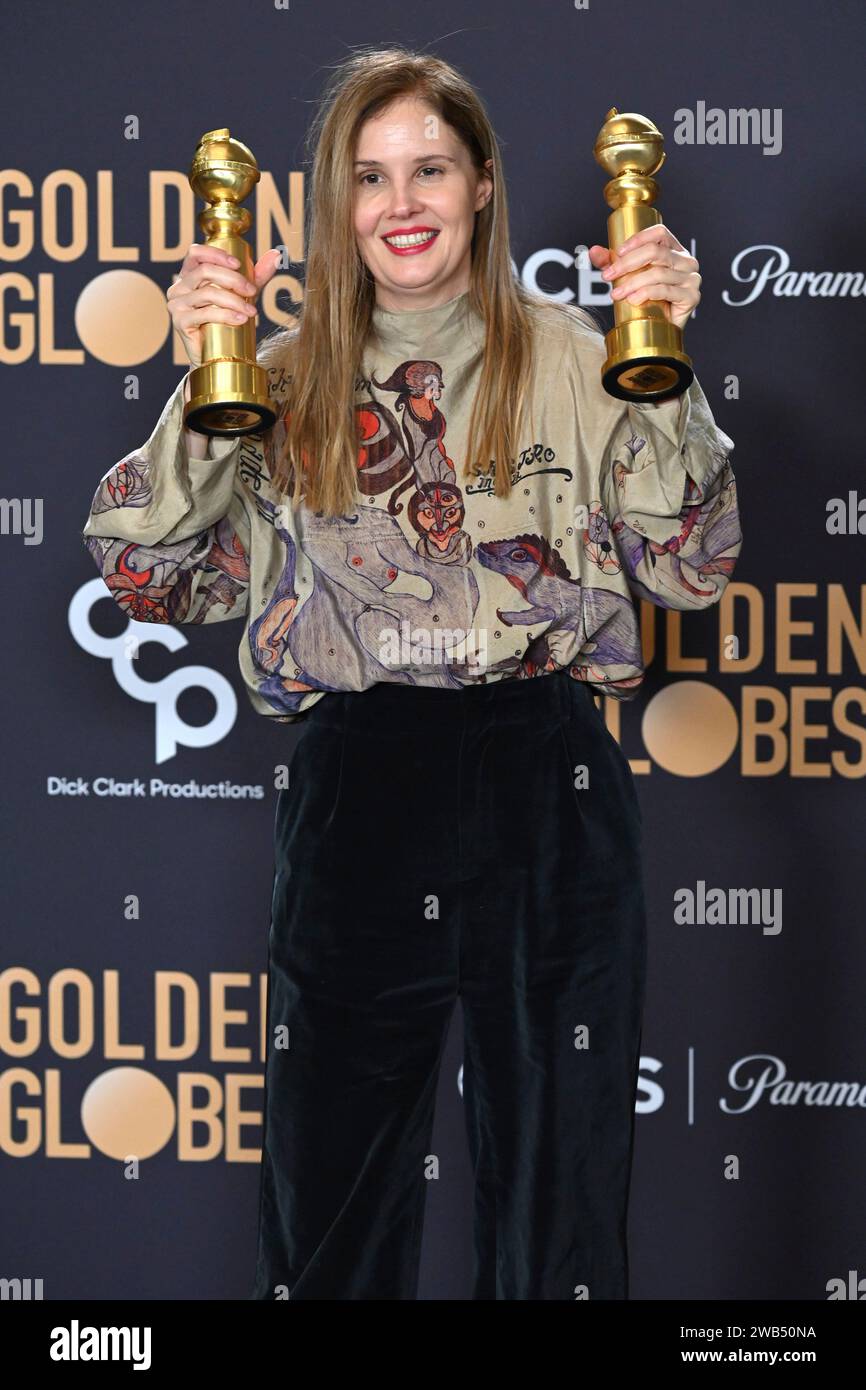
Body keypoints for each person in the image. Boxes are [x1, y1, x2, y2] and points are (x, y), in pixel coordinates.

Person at [81, 45, 742, 1300]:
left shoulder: (584, 355)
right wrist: (194, 385)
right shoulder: (266, 383)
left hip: (547, 780)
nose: (401, 204)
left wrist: (668, 373)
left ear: (482, 185)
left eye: (429, 168)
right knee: (328, 1209)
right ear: (333, 203)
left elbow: (690, 571)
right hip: (359, 786)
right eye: (369, 176)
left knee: (559, 1207)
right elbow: (153, 582)